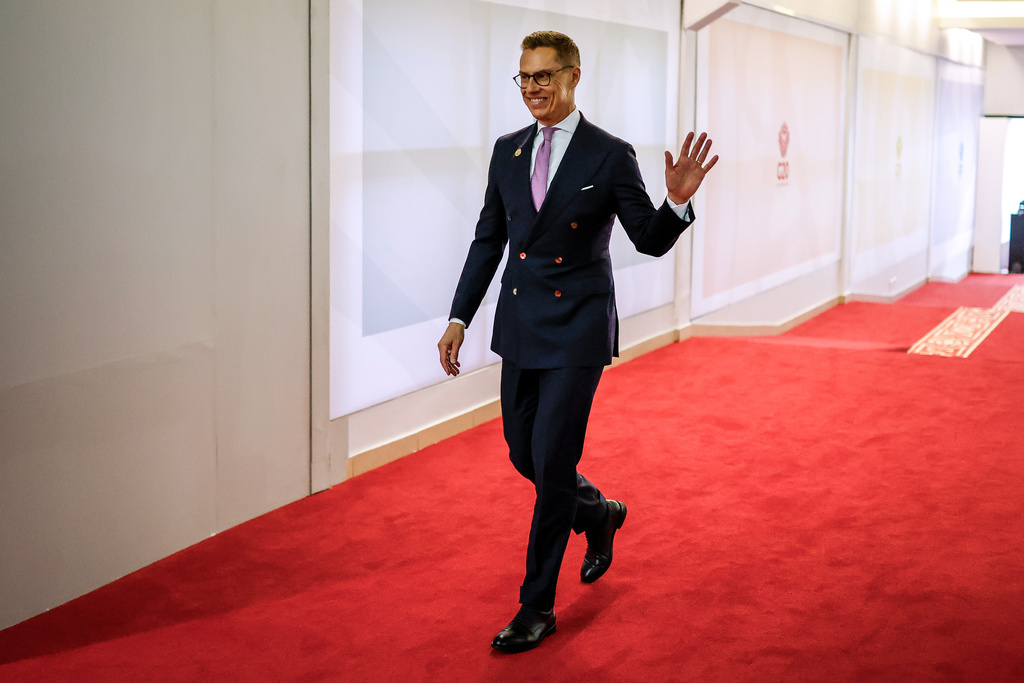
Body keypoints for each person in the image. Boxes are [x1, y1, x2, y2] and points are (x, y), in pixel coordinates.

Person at [437, 30, 718, 653]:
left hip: (577, 330)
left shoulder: (608, 154)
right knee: (523, 455)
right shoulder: (507, 152)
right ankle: (599, 514)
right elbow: (488, 241)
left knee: (554, 462)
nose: (533, 88)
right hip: (519, 326)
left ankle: (535, 606)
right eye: (524, 77)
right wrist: (459, 317)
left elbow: (646, 236)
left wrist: (675, 202)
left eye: (545, 76)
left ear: (573, 75)